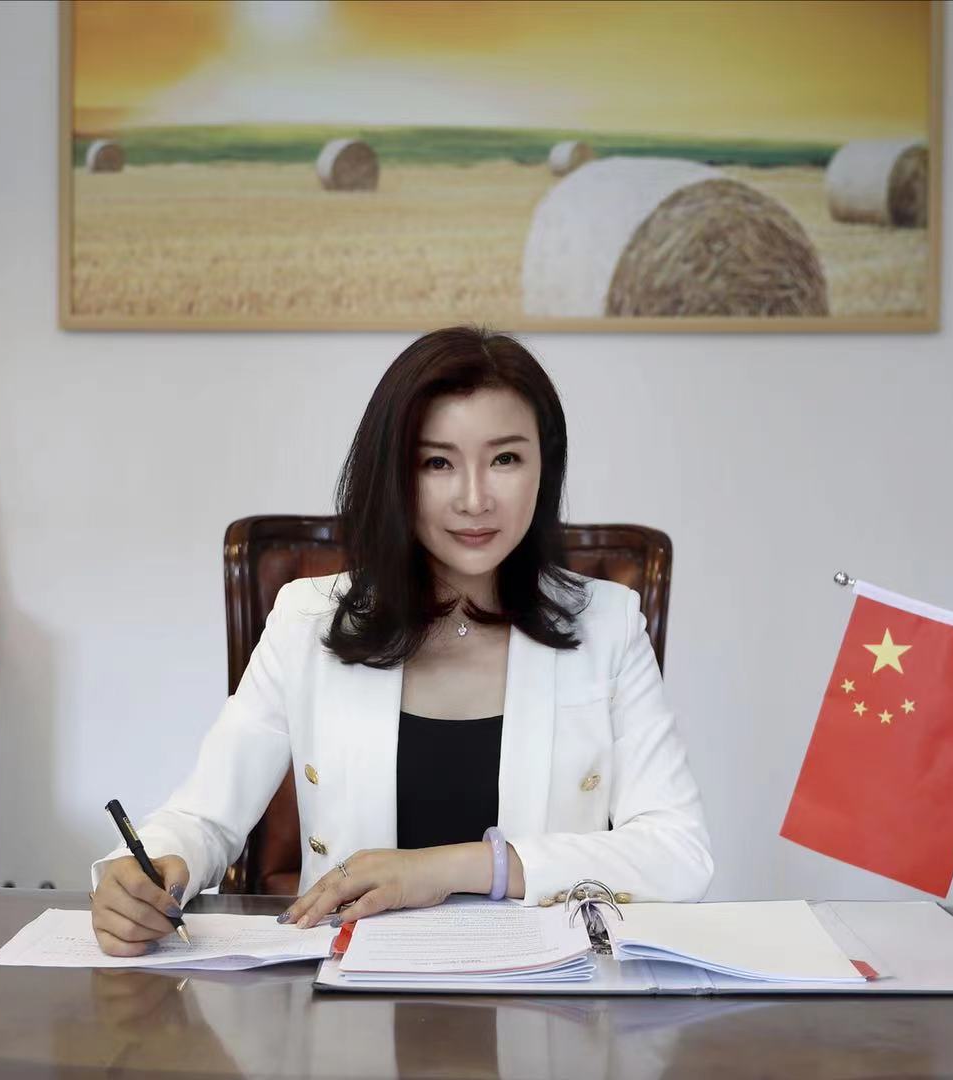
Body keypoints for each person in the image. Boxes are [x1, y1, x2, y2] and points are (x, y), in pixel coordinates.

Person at [90, 326, 712, 956]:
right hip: (349, 990)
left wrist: (449, 868)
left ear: (543, 468)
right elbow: (202, 817)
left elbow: (679, 853)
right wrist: (152, 869)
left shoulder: (607, 623)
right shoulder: (307, 620)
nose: (475, 499)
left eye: (505, 459)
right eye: (437, 462)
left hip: (544, 991)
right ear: (393, 475)